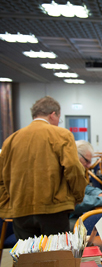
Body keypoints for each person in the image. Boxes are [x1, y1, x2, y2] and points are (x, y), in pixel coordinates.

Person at [0, 96, 86, 239]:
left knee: (27, 258)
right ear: (53, 114)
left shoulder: (11, 140)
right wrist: (78, 196)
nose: (58, 122)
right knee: (56, 257)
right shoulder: (62, 134)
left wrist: (9, 203)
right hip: (54, 209)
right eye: (59, 118)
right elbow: (74, 169)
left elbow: (2, 179)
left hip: (20, 210)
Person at [69, 140, 102, 228]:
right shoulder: (68, 172)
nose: (89, 166)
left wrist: (99, 194)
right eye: (87, 161)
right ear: (76, 156)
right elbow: (76, 202)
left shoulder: (76, 171)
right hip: (68, 219)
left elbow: (85, 188)